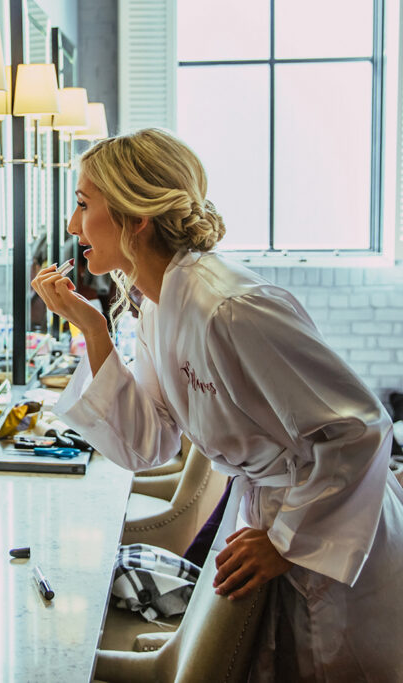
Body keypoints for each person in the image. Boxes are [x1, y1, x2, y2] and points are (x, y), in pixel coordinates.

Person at [32, 128, 403, 681]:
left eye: (84, 205)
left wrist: (286, 543)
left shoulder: (230, 307)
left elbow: (358, 428)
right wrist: (92, 327)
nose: (71, 226)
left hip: (332, 530)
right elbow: (146, 442)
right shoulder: (158, 303)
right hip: (266, 513)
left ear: (137, 217)